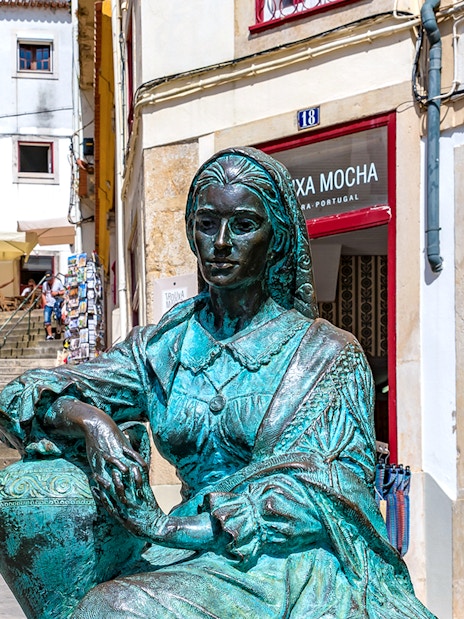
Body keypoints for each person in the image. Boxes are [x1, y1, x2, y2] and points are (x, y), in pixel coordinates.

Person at [0, 147, 435, 619]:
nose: (222, 242)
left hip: (279, 563)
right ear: (191, 231)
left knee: (112, 610)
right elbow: (21, 396)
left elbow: (334, 489)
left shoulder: (327, 355)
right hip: (183, 551)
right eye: (207, 224)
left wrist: (171, 529)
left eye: (244, 225)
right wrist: (93, 424)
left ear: (279, 240)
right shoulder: (164, 347)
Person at [42, 270, 64, 340]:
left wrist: (57, 293)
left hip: (56, 302)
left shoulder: (58, 282)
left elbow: (63, 291)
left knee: (58, 316)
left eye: (50, 279)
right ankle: (50, 335)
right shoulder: (45, 284)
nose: (49, 281)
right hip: (48, 304)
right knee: (46, 319)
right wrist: (44, 301)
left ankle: (59, 329)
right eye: (48, 280)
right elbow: (43, 293)